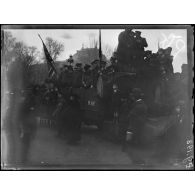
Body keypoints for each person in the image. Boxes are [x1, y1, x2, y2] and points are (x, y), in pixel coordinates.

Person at [18, 90, 38, 164]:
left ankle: (23, 157)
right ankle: (23, 158)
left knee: (24, 143)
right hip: (26, 126)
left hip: (26, 126)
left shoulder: (23, 104)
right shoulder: (26, 104)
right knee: (25, 143)